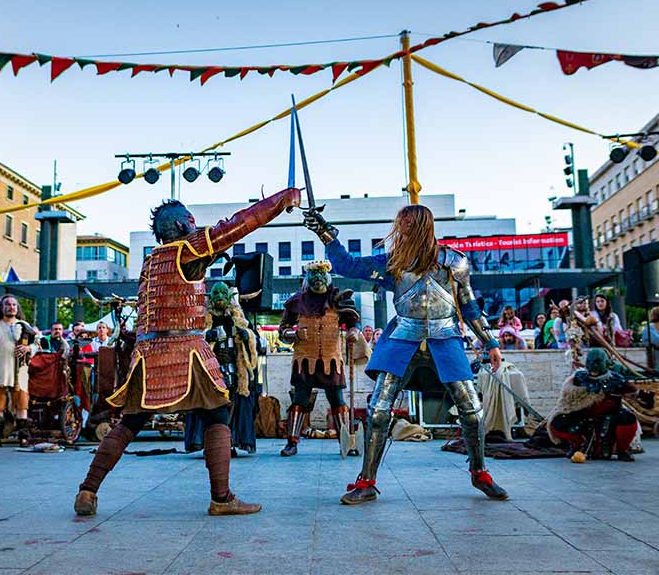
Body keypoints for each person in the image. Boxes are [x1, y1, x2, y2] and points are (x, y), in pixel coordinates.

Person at [74, 186, 300, 517]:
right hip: (185, 347)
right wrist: (281, 200)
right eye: (191, 223)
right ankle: (221, 499)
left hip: (148, 351)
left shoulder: (153, 260)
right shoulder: (185, 249)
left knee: (131, 422)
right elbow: (238, 224)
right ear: (183, 226)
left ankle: (87, 491)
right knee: (218, 413)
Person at [305, 204, 508, 503]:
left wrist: (490, 342)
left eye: (407, 225)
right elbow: (347, 265)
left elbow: (469, 305)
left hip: (445, 335)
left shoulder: (454, 262)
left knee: (472, 409)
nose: (402, 230)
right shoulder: (395, 263)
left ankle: (480, 473)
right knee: (377, 409)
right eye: (401, 224)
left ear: (421, 226)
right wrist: (326, 233)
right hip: (402, 336)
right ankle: (367, 481)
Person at [277, 260, 360, 457]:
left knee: (337, 400)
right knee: (300, 399)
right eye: (314, 276)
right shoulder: (296, 302)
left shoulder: (338, 299)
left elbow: (352, 323)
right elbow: (283, 329)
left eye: (321, 276)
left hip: (332, 358)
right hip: (304, 359)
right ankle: (292, 442)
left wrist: (353, 333)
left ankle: (345, 441)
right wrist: (292, 334)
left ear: (327, 278)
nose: (318, 280)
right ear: (308, 279)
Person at [184, 282, 259, 455]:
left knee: (234, 405)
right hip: (210, 371)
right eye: (216, 294)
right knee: (210, 406)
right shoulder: (204, 320)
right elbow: (192, 340)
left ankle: (230, 443)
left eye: (222, 294)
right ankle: (210, 442)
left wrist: (246, 335)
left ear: (227, 298)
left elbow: (253, 338)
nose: (219, 297)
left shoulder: (237, 317)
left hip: (235, 370)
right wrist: (207, 336)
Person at [547, 348, 638, 461]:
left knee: (628, 417)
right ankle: (578, 445)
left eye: (597, 363)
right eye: (590, 363)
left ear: (606, 363)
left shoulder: (616, 379)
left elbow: (634, 394)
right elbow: (568, 398)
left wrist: (642, 397)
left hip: (610, 418)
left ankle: (622, 450)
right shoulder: (579, 377)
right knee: (558, 422)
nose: (593, 367)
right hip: (581, 416)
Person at [0, 295, 39, 447]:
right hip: (0, 370)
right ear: (2, 308)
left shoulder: (25, 325)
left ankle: (23, 437)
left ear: (17, 308)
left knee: (21, 404)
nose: (11, 307)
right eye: (7, 304)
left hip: (20, 372)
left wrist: (28, 348)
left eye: (13, 305)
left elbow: (38, 344)